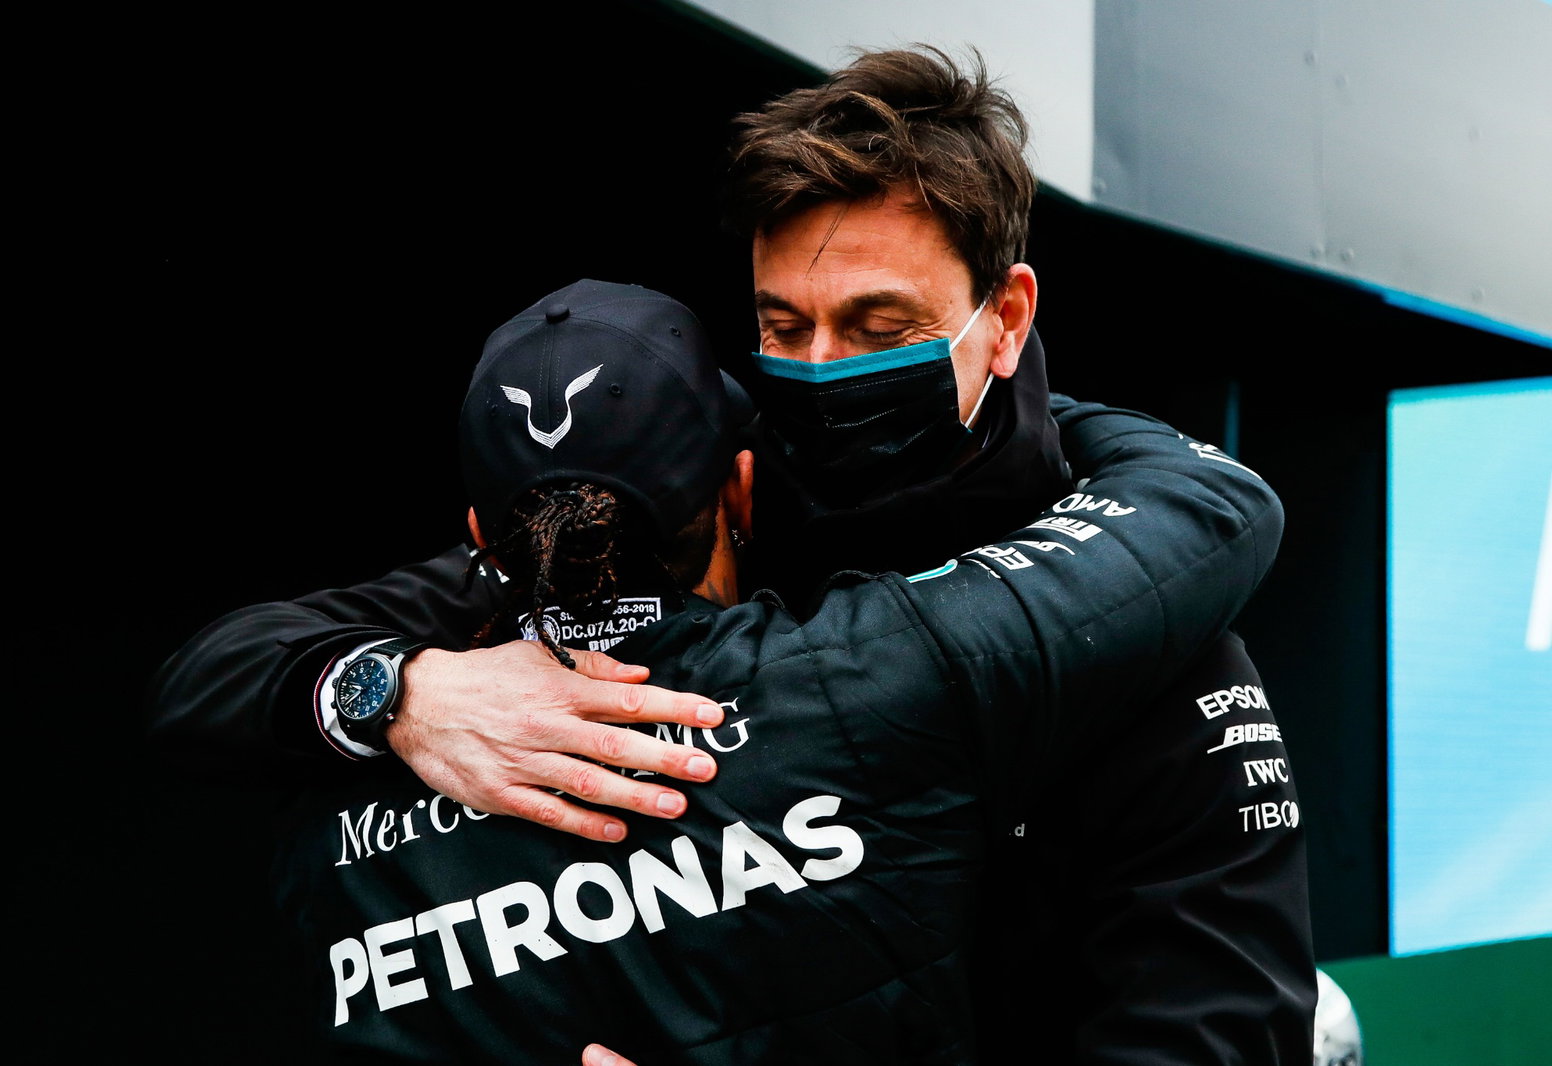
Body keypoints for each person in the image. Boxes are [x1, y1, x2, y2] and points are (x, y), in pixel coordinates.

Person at [147, 44, 1316, 1061]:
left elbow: (1210, 1030)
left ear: (1003, 320)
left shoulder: (1155, 624)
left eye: (879, 327)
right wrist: (402, 690)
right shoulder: (716, 509)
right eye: (780, 325)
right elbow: (223, 669)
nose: (819, 368)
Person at [271, 276, 1284, 1062]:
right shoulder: (875, 675)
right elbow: (1206, 506)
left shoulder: (327, 825)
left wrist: (394, 691)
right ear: (744, 493)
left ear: (479, 536)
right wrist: (1028, 398)